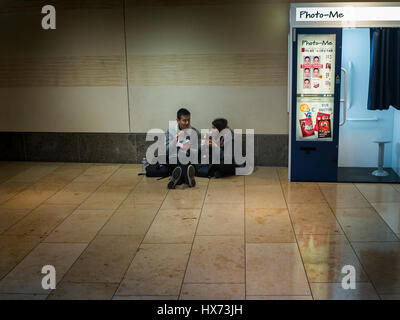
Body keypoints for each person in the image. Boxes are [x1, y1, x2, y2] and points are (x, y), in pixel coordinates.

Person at [165, 108, 199, 189]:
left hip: (188, 159)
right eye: (184, 120)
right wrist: (175, 140)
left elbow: (198, 153)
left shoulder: (194, 132)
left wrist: (189, 149)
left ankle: (175, 180)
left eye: (188, 120)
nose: (187, 123)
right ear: (178, 120)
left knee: (184, 162)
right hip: (173, 159)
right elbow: (165, 151)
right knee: (178, 163)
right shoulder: (171, 131)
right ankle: (188, 180)